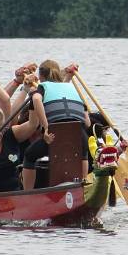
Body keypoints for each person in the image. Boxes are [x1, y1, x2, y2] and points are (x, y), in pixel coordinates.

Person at [22, 59, 90, 190]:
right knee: (83, 151)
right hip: (78, 133)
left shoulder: (42, 87)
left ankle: (27, 193)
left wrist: (45, 127)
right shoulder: (70, 87)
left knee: (29, 155)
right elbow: (87, 123)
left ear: (41, 77)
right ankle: (83, 186)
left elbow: (36, 99)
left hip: (55, 134)